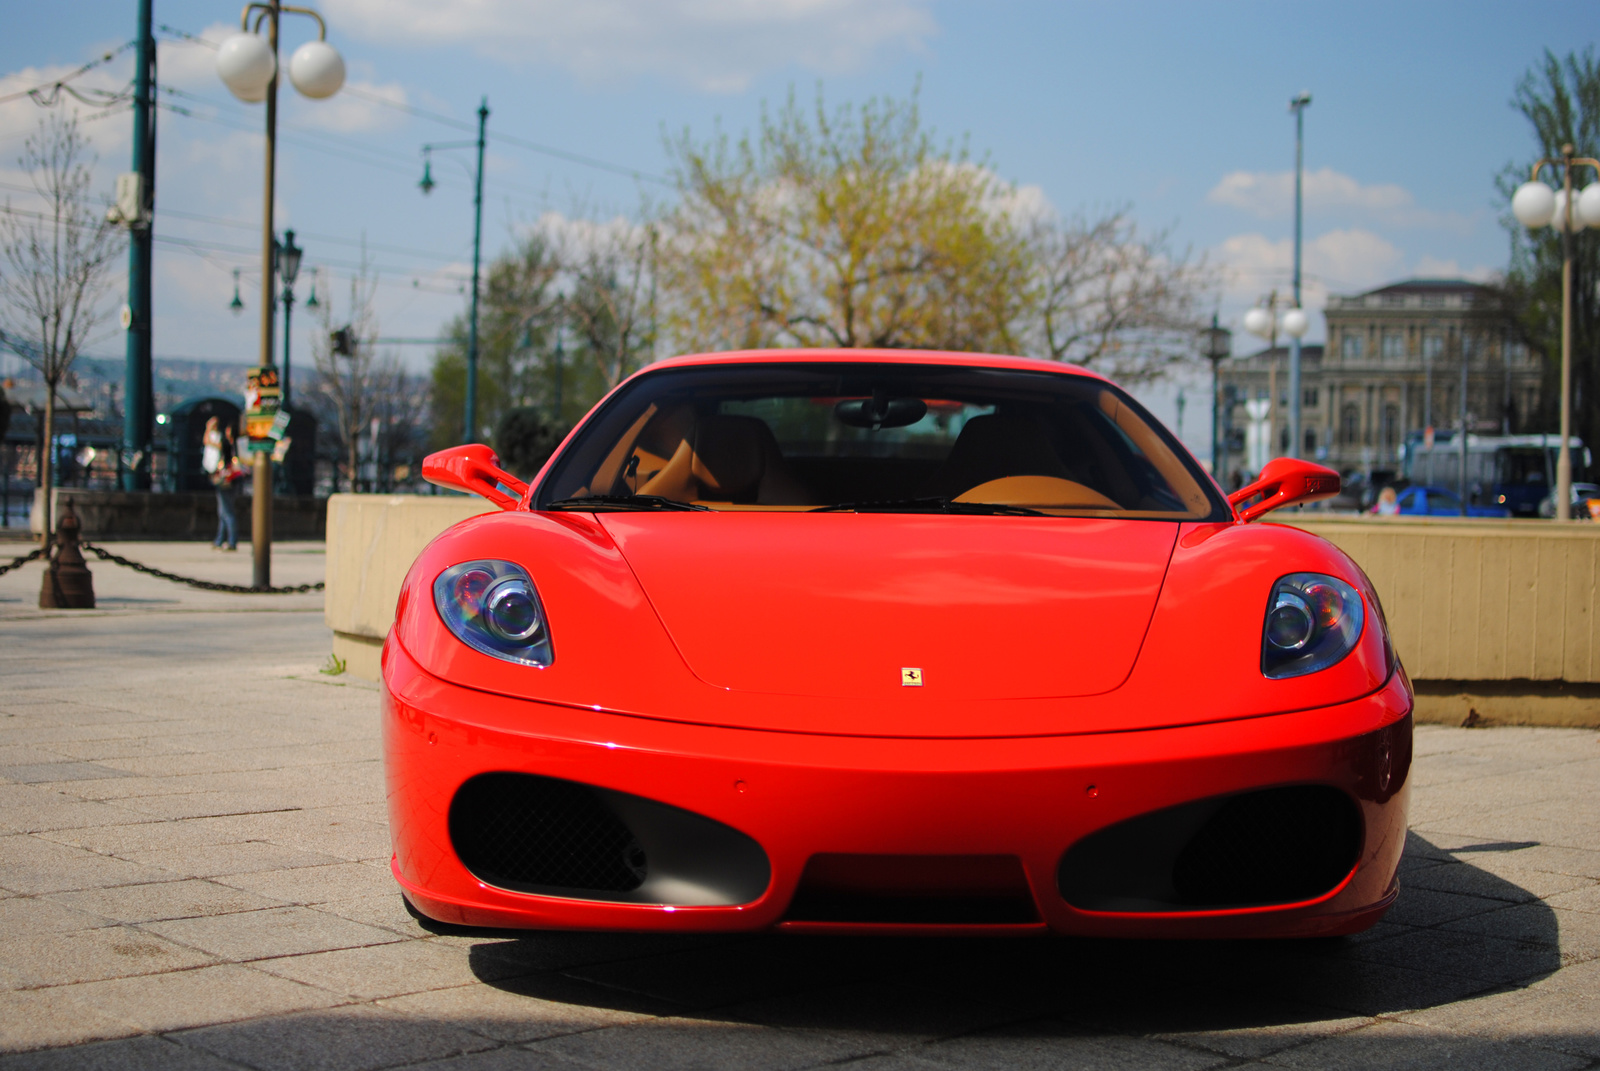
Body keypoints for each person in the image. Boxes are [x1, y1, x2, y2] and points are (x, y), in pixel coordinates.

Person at [205, 418, 241, 551]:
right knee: (224, 511)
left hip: (226, 479)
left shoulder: (227, 445)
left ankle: (231, 541)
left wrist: (208, 428)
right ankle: (220, 539)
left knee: (227, 511)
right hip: (235, 479)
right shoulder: (239, 446)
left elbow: (208, 442)